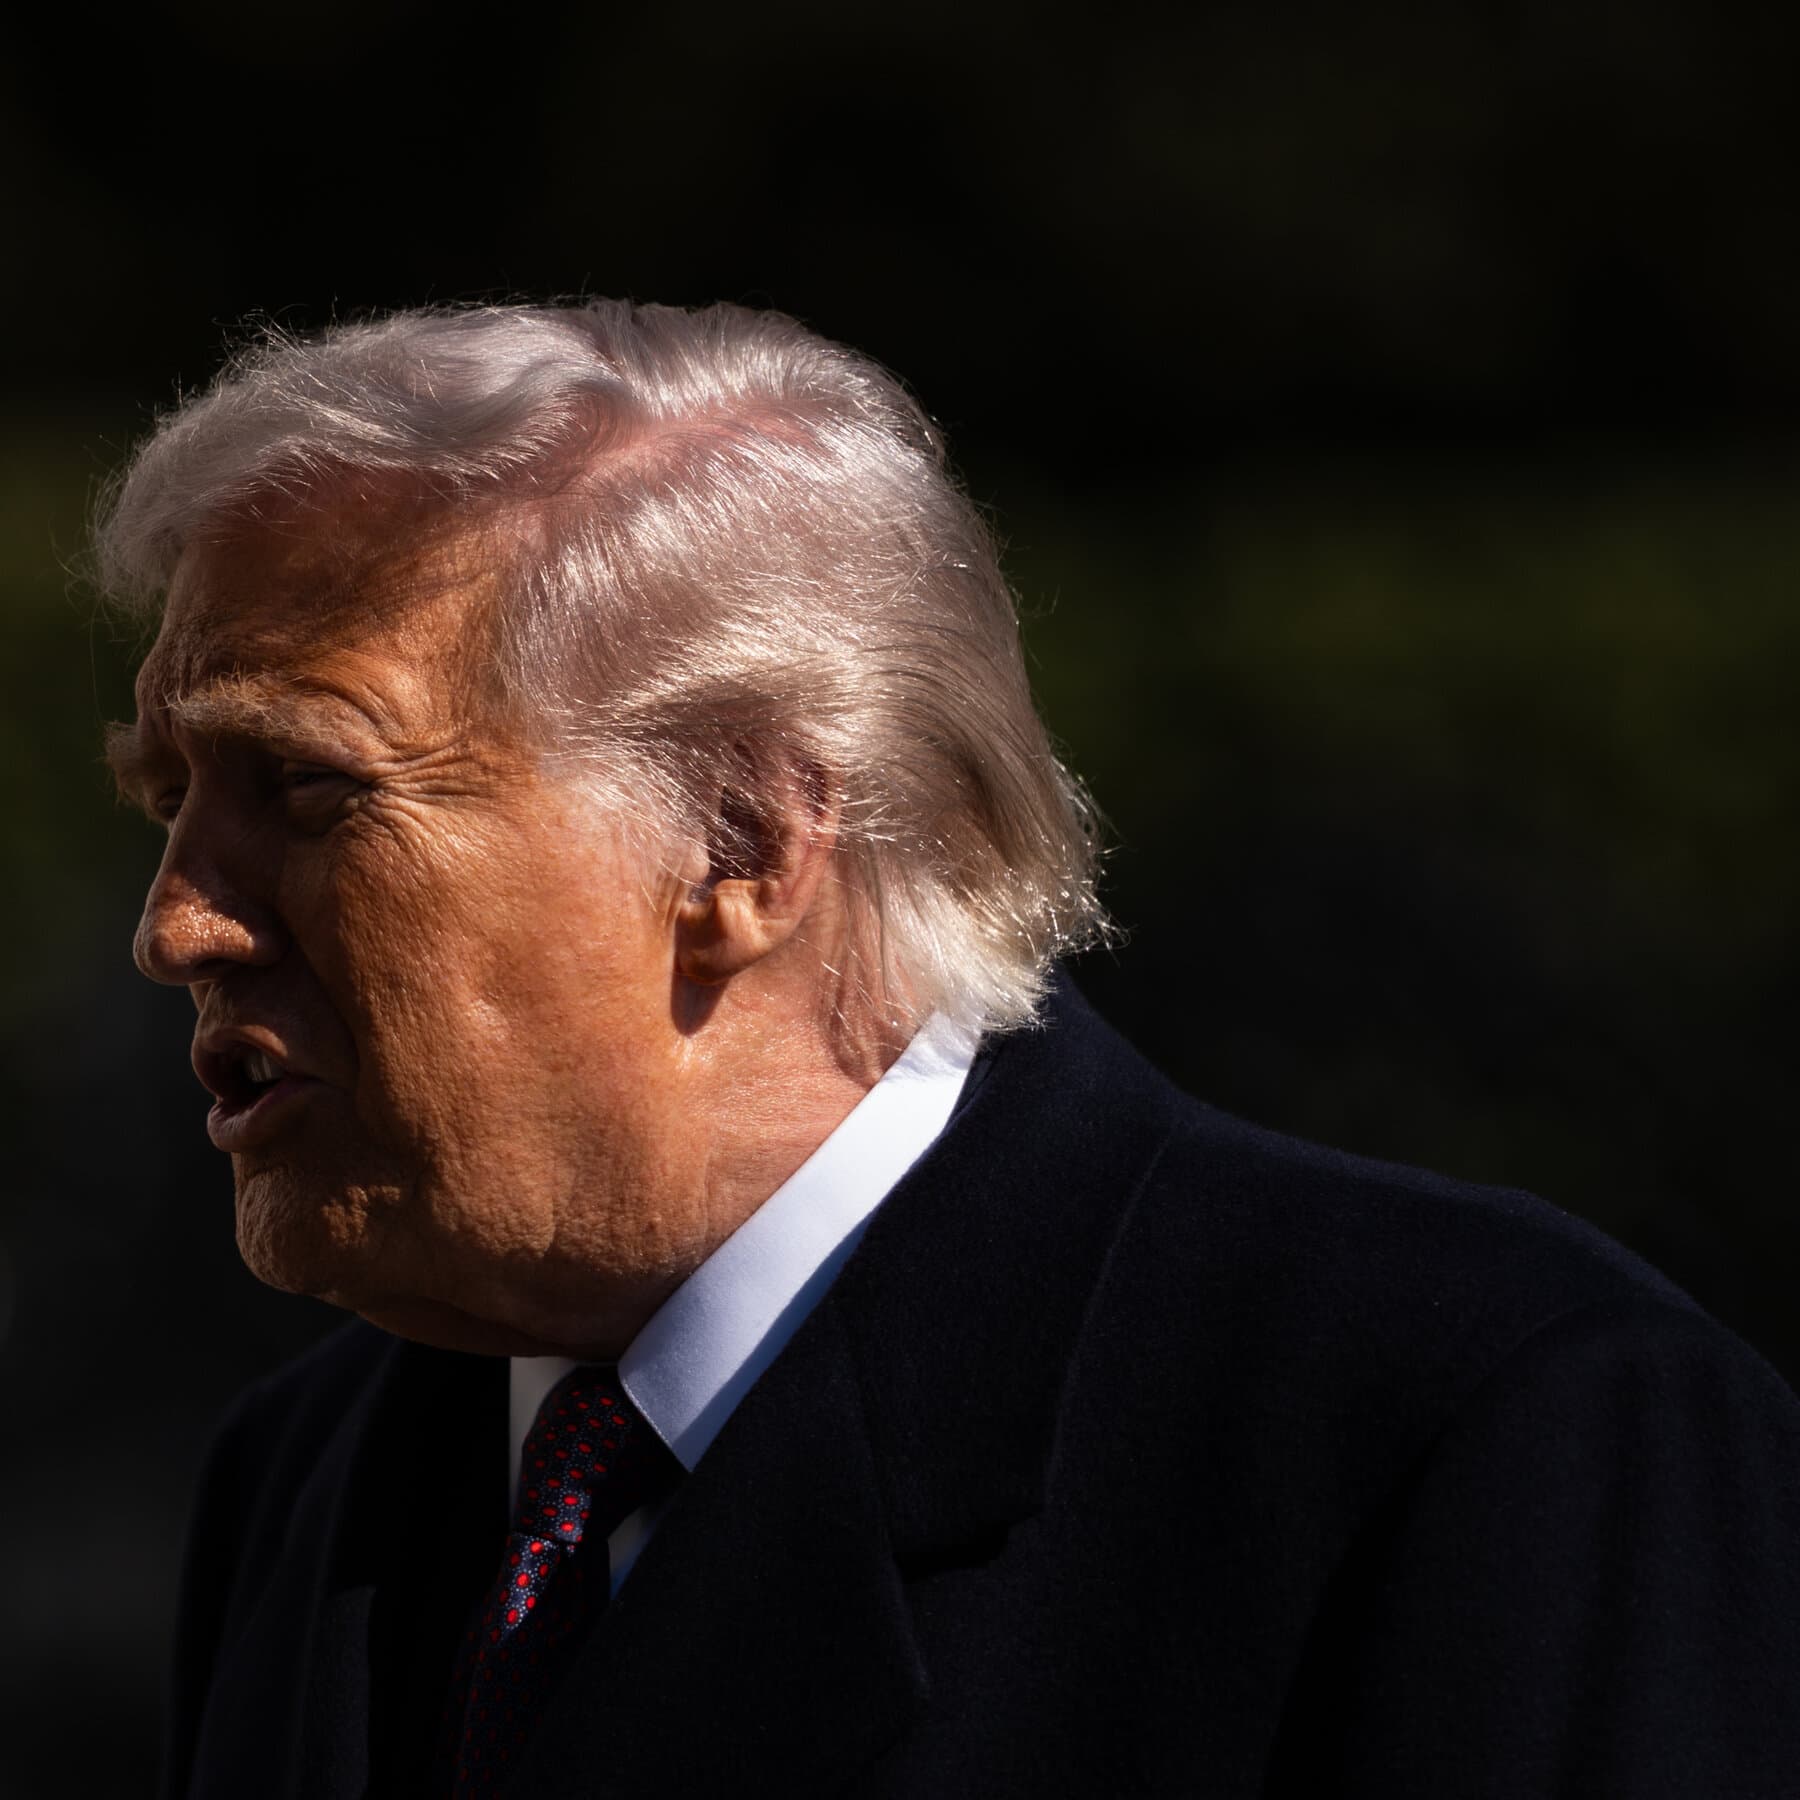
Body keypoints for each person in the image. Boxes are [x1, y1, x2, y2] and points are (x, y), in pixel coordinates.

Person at [98, 300, 1800, 1800]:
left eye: (309, 790)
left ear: (743, 846)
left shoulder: (1492, 1434)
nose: (178, 925)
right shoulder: (316, 1478)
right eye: (172, 805)